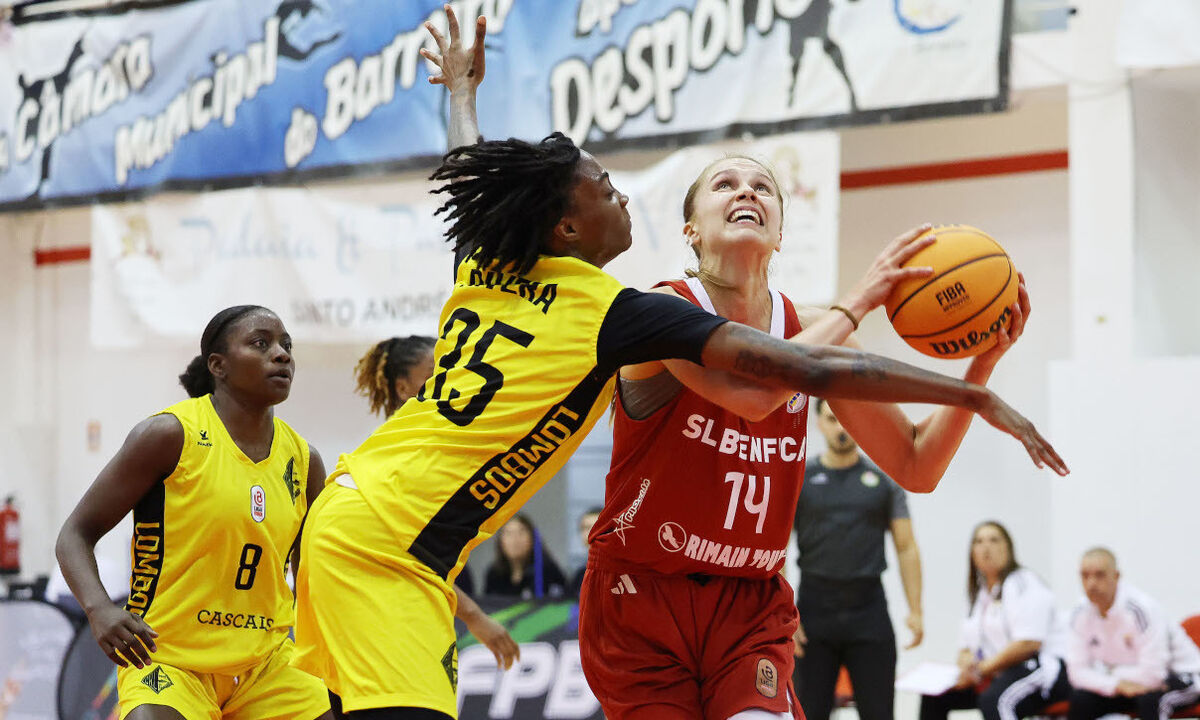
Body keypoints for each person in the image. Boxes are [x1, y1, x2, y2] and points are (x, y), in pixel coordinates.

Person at [290, 11, 1065, 720]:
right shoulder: (644, 311)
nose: (746, 190)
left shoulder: (496, 259)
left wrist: (980, 369)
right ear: (690, 230)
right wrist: (874, 312)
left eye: (763, 185)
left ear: (782, 231)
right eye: (724, 183)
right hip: (628, 590)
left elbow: (916, 464)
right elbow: (765, 389)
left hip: (737, 599)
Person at [55, 305, 333, 720]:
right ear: (218, 366)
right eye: (261, 343)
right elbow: (75, 534)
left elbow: (313, 571)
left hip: (267, 664)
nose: (281, 354)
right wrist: (99, 609)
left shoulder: (305, 460)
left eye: (286, 346)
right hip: (169, 658)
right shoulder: (169, 435)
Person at [354, 335, 519, 669]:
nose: (449, 381)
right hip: (389, 612)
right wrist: (475, 616)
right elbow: (416, 555)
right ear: (403, 388)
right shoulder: (400, 455)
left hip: (428, 602)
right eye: (436, 373)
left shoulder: (438, 445)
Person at [791, 398, 923, 720]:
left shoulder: (884, 481)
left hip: (868, 610)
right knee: (808, 713)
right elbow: (776, 548)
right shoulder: (798, 479)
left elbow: (906, 546)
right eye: (832, 419)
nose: (841, 428)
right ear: (819, 424)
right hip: (813, 612)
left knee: (879, 713)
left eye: (847, 420)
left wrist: (916, 610)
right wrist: (784, 614)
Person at [919, 521, 1069, 720]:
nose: (986, 547)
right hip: (993, 672)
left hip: (1037, 668)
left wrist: (982, 669)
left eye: (994, 540)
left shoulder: (1024, 583)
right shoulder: (978, 593)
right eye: (979, 542)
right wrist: (966, 667)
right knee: (935, 694)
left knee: (995, 700)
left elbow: (1028, 643)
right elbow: (965, 647)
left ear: (1008, 547)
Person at [1065, 547, 1199, 720]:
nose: (1091, 583)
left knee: (1151, 701)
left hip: (1180, 678)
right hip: (1126, 684)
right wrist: (1116, 684)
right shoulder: (1080, 613)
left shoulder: (1141, 610)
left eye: (1099, 575)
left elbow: (1154, 675)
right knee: (1081, 699)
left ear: (1116, 576)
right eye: (1085, 576)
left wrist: (1108, 674)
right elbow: (1076, 673)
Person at [483, 514, 568, 599]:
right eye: (509, 534)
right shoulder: (494, 574)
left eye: (521, 533)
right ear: (500, 542)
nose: (515, 540)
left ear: (532, 539)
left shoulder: (546, 570)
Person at [569, 506, 603, 597]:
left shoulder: (624, 571)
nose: (590, 533)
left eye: (596, 527)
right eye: (585, 528)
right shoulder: (580, 575)